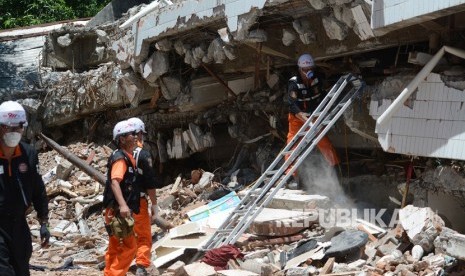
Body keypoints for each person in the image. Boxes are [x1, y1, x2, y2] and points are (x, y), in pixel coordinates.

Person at [0, 101, 50, 276]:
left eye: (19, 128)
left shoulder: (28, 154)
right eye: (10, 128)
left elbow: (38, 189)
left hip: (19, 224)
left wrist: (44, 221)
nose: (15, 132)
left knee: (21, 268)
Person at [287, 54, 340, 171]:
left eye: (310, 69)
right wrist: (300, 115)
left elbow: (323, 95)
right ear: (300, 69)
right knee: (292, 146)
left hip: (313, 116)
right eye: (306, 70)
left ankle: (335, 168)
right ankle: (291, 176)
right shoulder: (294, 83)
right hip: (297, 118)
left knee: (324, 143)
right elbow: (291, 103)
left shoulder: (317, 78)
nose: (308, 72)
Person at [103, 119, 141, 276]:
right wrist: (123, 205)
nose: (135, 137)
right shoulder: (120, 159)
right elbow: (115, 182)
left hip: (112, 211)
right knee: (130, 247)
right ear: (122, 138)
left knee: (115, 247)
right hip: (117, 211)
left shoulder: (125, 157)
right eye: (131, 134)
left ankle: (109, 273)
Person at [127, 117, 158, 276]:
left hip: (120, 203)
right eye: (142, 134)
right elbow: (150, 183)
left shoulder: (117, 154)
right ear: (138, 134)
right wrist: (155, 206)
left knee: (125, 234)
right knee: (144, 236)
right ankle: (141, 265)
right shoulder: (143, 155)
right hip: (138, 202)